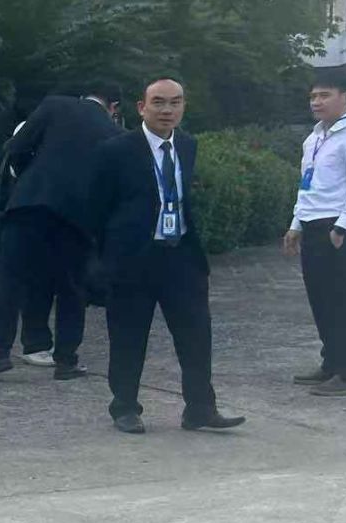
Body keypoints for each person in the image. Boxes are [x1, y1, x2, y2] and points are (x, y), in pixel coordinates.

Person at [87, 76, 245, 435]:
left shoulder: (187, 145)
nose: (167, 110)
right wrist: (102, 259)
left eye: (175, 102)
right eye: (158, 102)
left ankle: (200, 408)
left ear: (184, 106)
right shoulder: (116, 150)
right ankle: (125, 407)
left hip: (181, 256)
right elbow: (95, 207)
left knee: (196, 335)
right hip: (132, 260)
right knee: (128, 336)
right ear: (141, 107)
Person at [0, 81, 124, 382]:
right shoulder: (116, 134)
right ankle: (67, 362)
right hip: (77, 217)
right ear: (114, 107)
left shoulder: (55, 104)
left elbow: (16, 148)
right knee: (72, 289)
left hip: (30, 205)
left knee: (10, 282)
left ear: (84, 95)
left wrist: (29, 179)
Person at [284, 74, 346, 397]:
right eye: (313, 96)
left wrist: (342, 226)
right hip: (312, 225)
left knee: (340, 299)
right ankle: (332, 362)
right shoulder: (314, 138)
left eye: (324, 95)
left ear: (345, 97)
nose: (316, 102)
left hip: (336, 228)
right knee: (320, 299)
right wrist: (296, 225)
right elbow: (307, 187)